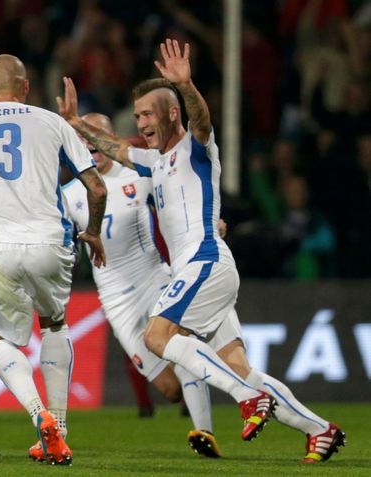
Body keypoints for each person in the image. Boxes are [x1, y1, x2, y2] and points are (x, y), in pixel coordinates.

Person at [57, 39, 345, 463]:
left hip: (204, 261)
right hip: (202, 269)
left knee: (158, 336)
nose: (142, 123)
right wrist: (75, 122)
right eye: (137, 116)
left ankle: (248, 398)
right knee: (240, 365)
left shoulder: (196, 149)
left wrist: (187, 87)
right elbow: (115, 148)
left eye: (148, 115)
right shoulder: (155, 162)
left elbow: (204, 121)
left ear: (172, 114)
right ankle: (320, 430)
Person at [0, 54, 107, 465]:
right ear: (27, 87)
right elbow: (97, 189)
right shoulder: (53, 123)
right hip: (49, 241)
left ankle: (39, 416)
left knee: (1, 339)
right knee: (54, 322)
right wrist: (94, 232)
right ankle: (61, 429)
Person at [57, 112, 220, 459]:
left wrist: (208, 221)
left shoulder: (137, 175)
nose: (92, 145)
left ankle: (205, 433)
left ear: (112, 139)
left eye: (99, 136)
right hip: (115, 298)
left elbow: (178, 197)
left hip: (154, 278)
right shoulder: (70, 194)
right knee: (169, 389)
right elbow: (60, 239)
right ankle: (195, 404)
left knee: (181, 349)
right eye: (86, 139)